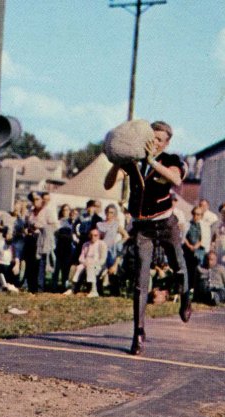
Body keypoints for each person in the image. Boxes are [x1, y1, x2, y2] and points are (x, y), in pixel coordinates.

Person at [104, 120, 190, 356]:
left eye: (160, 140)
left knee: (178, 267)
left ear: (167, 142)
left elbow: (176, 179)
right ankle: (138, 332)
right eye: (152, 138)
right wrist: (116, 164)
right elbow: (108, 183)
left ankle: (185, 297)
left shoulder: (172, 160)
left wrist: (152, 160)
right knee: (141, 282)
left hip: (166, 222)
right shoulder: (134, 161)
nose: (155, 143)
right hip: (143, 227)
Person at [64, 227, 108, 297]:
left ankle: (94, 290)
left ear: (99, 236)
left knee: (90, 267)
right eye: (91, 235)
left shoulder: (102, 244)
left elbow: (103, 259)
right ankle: (72, 288)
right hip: (86, 264)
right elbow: (81, 258)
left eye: (95, 235)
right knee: (76, 267)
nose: (93, 237)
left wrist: (93, 263)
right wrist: (85, 263)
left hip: (98, 265)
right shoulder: (85, 244)